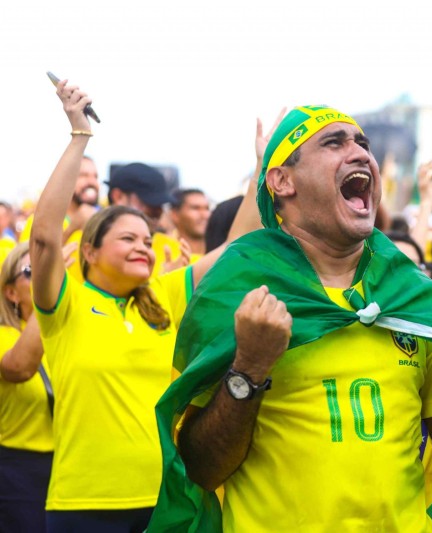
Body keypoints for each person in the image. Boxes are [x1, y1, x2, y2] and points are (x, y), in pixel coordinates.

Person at [152, 105, 432, 532]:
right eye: (334, 142)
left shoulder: (411, 294)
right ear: (282, 180)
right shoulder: (238, 289)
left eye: (363, 143)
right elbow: (201, 469)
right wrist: (249, 367)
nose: (360, 153)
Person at [28, 79, 259, 532]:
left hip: (164, 499)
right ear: (90, 251)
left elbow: (237, 248)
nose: (144, 248)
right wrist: (79, 136)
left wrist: (260, 168)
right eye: (128, 239)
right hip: (85, 505)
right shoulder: (65, 304)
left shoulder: (165, 296)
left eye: (149, 241)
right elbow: (43, 236)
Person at [0, 243, 51, 533]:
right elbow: (18, 367)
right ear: (10, 293)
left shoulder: (70, 335)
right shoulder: (4, 336)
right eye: (33, 272)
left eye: (50, 269)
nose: (46, 276)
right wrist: (48, 298)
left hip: (74, 468)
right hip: (20, 472)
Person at [169, 188, 210, 259]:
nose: (205, 215)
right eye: (195, 208)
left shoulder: (222, 250)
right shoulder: (162, 249)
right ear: (175, 215)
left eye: (207, 208)